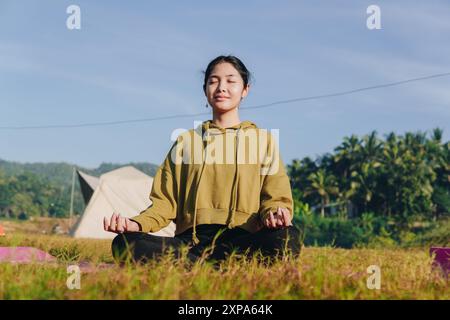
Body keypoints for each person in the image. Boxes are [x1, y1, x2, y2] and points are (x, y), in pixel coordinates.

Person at [104, 55, 301, 264]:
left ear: (245, 90)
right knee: (124, 243)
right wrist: (136, 224)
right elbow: (164, 203)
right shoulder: (185, 142)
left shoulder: (263, 141)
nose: (221, 87)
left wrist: (274, 215)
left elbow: (275, 197)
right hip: (191, 242)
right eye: (213, 81)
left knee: (288, 238)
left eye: (231, 81)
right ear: (205, 88)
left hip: (242, 239)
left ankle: (196, 263)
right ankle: (218, 263)